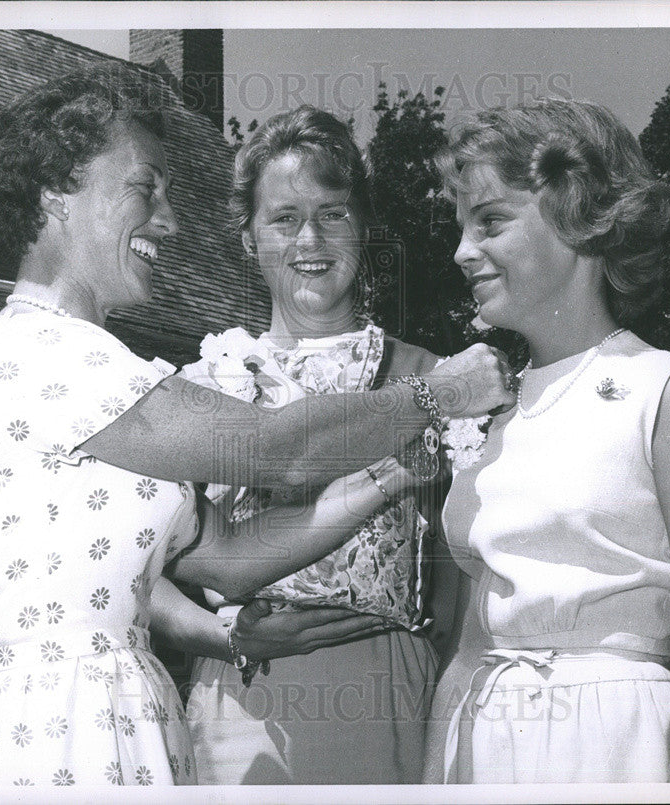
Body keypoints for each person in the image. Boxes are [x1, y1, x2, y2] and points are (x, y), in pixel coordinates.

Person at [0, 66, 510, 787]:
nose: (171, 221)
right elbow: (279, 452)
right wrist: (438, 395)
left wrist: (394, 474)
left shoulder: (100, 366)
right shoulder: (34, 351)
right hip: (61, 737)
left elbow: (229, 559)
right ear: (59, 191)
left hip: (138, 721)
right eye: (146, 189)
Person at [423, 99, 670, 783]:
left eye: (489, 221)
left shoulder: (668, 391)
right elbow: (467, 650)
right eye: (460, 226)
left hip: (615, 744)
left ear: (576, 213)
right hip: (485, 742)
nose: (461, 250)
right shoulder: (490, 414)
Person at [147, 106, 462, 784]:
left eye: (333, 213)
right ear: (247, 236)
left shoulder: (432, 378)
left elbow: (463, 584)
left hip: (386, 697)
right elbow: (133, 577)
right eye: (284, 218)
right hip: (242, 702)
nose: (310, 238)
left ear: (364, 225)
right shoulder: (203, 384)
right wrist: (220, 634)